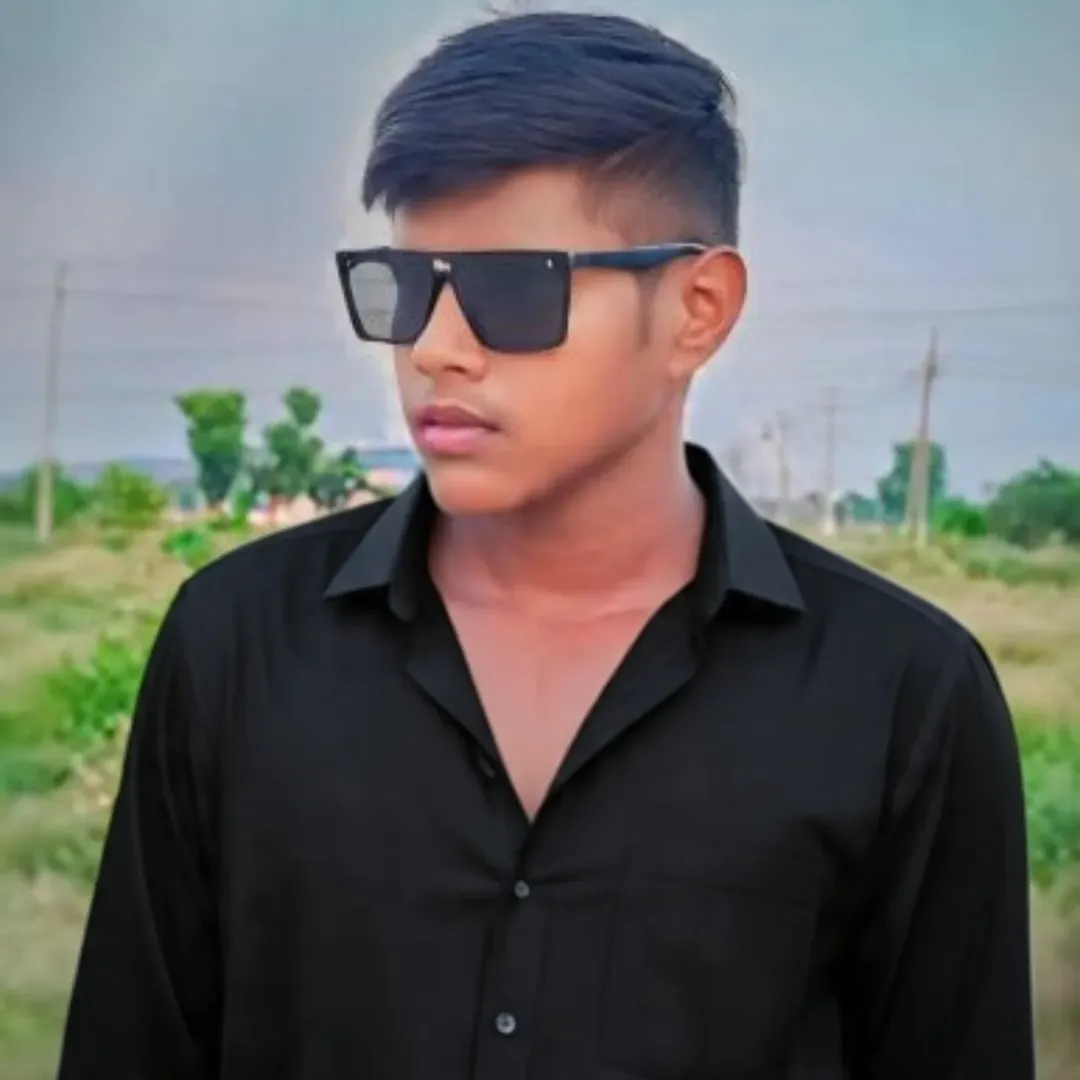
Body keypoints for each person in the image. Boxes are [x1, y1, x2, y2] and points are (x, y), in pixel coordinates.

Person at [58, 11, 1035, 1080]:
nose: (436, 348)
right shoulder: (237, 645)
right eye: (405, 286)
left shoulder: (900, 697)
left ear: (699, 309)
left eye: (512, 288)